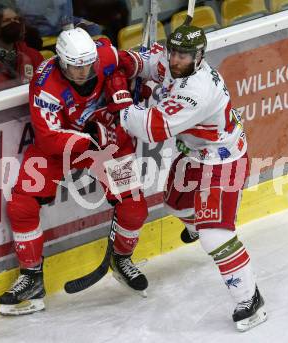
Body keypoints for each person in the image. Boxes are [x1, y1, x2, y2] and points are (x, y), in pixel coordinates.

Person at [108, 25, 268, 331]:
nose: (177, 60)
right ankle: (198, 225)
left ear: (200, 56)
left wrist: (121, 102)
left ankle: (250, 300)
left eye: (185, 55)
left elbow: (150, 128)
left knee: (214, 236)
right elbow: (146, 62)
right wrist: (126, 63)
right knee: (175, 205)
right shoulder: (172, 62)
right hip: (195, 154)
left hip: (223, 160)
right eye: (174, 52)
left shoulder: (198, 91)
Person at [0, 27, 149, 315]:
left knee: (134, 207)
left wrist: (134, 83)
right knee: (22, 204)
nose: (82, 73)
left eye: (87, 66)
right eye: (75, 67)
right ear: (61, 62)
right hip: (60, 146)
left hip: (108, 142)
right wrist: (91, 136)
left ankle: (122, 258)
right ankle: (31, 277)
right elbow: (48, 139)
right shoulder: (45, 83)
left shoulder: (103, 55)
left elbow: (131, 62)